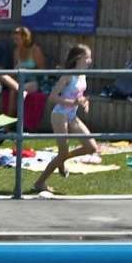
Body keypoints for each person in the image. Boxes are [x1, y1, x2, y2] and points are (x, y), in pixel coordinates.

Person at [33, 44, 99, 193]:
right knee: (62, 152)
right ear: (79, 58)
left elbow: (78, 95)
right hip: (60, 114)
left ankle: (62, 159)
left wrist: (84, 102)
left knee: (92, 147)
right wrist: (73, 102)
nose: (90, 61)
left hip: (72, 115)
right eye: (88, 57)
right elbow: (53, 97)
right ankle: (40, 183)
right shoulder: (67, 75)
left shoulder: (82, 75)